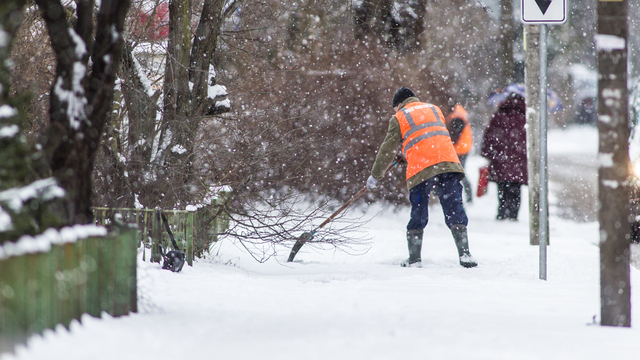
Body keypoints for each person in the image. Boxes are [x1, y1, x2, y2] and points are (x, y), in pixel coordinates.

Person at [366, 87, 478, 268]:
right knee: (453, 207)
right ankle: (465, 254)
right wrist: (407, 152)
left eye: (395, 108)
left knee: (419, 210)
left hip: (421, 169)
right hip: (448, 163)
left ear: (399, 104)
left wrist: (376, 175)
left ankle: (414, 259)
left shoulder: (399, 117)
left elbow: (387, 150)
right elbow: (429, 137)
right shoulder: (435, 109)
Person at [480, 93, 528, 220]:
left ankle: (502, 211)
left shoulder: (499, 116)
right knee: (516, 188)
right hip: (518, 161)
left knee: (502, 186)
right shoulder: (525, 118)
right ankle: (513, 214)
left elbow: (489, 136)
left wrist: (487, 153)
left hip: (500, 159)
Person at [446, 104, 473, 203]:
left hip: (458, 150)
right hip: (463, 149)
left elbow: (455, 136)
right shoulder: (461, 116)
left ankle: (461, 196)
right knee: (460, 172)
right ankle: (467, 195)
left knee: (457, 173)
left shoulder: (456, 119)